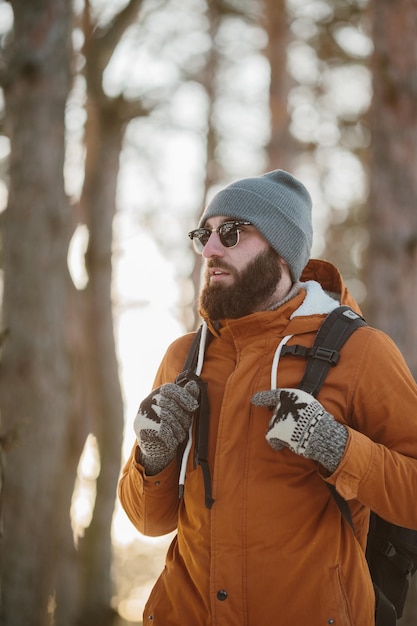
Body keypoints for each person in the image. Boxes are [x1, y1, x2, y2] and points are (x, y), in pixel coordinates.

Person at [118, 169, 417, 626]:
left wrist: (338, 448)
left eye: (231, 233)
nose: (211, 250)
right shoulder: (186, 358)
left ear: (280, 249)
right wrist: (151, 461)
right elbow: (148, 522)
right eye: (205, 235)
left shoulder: (360, 352)